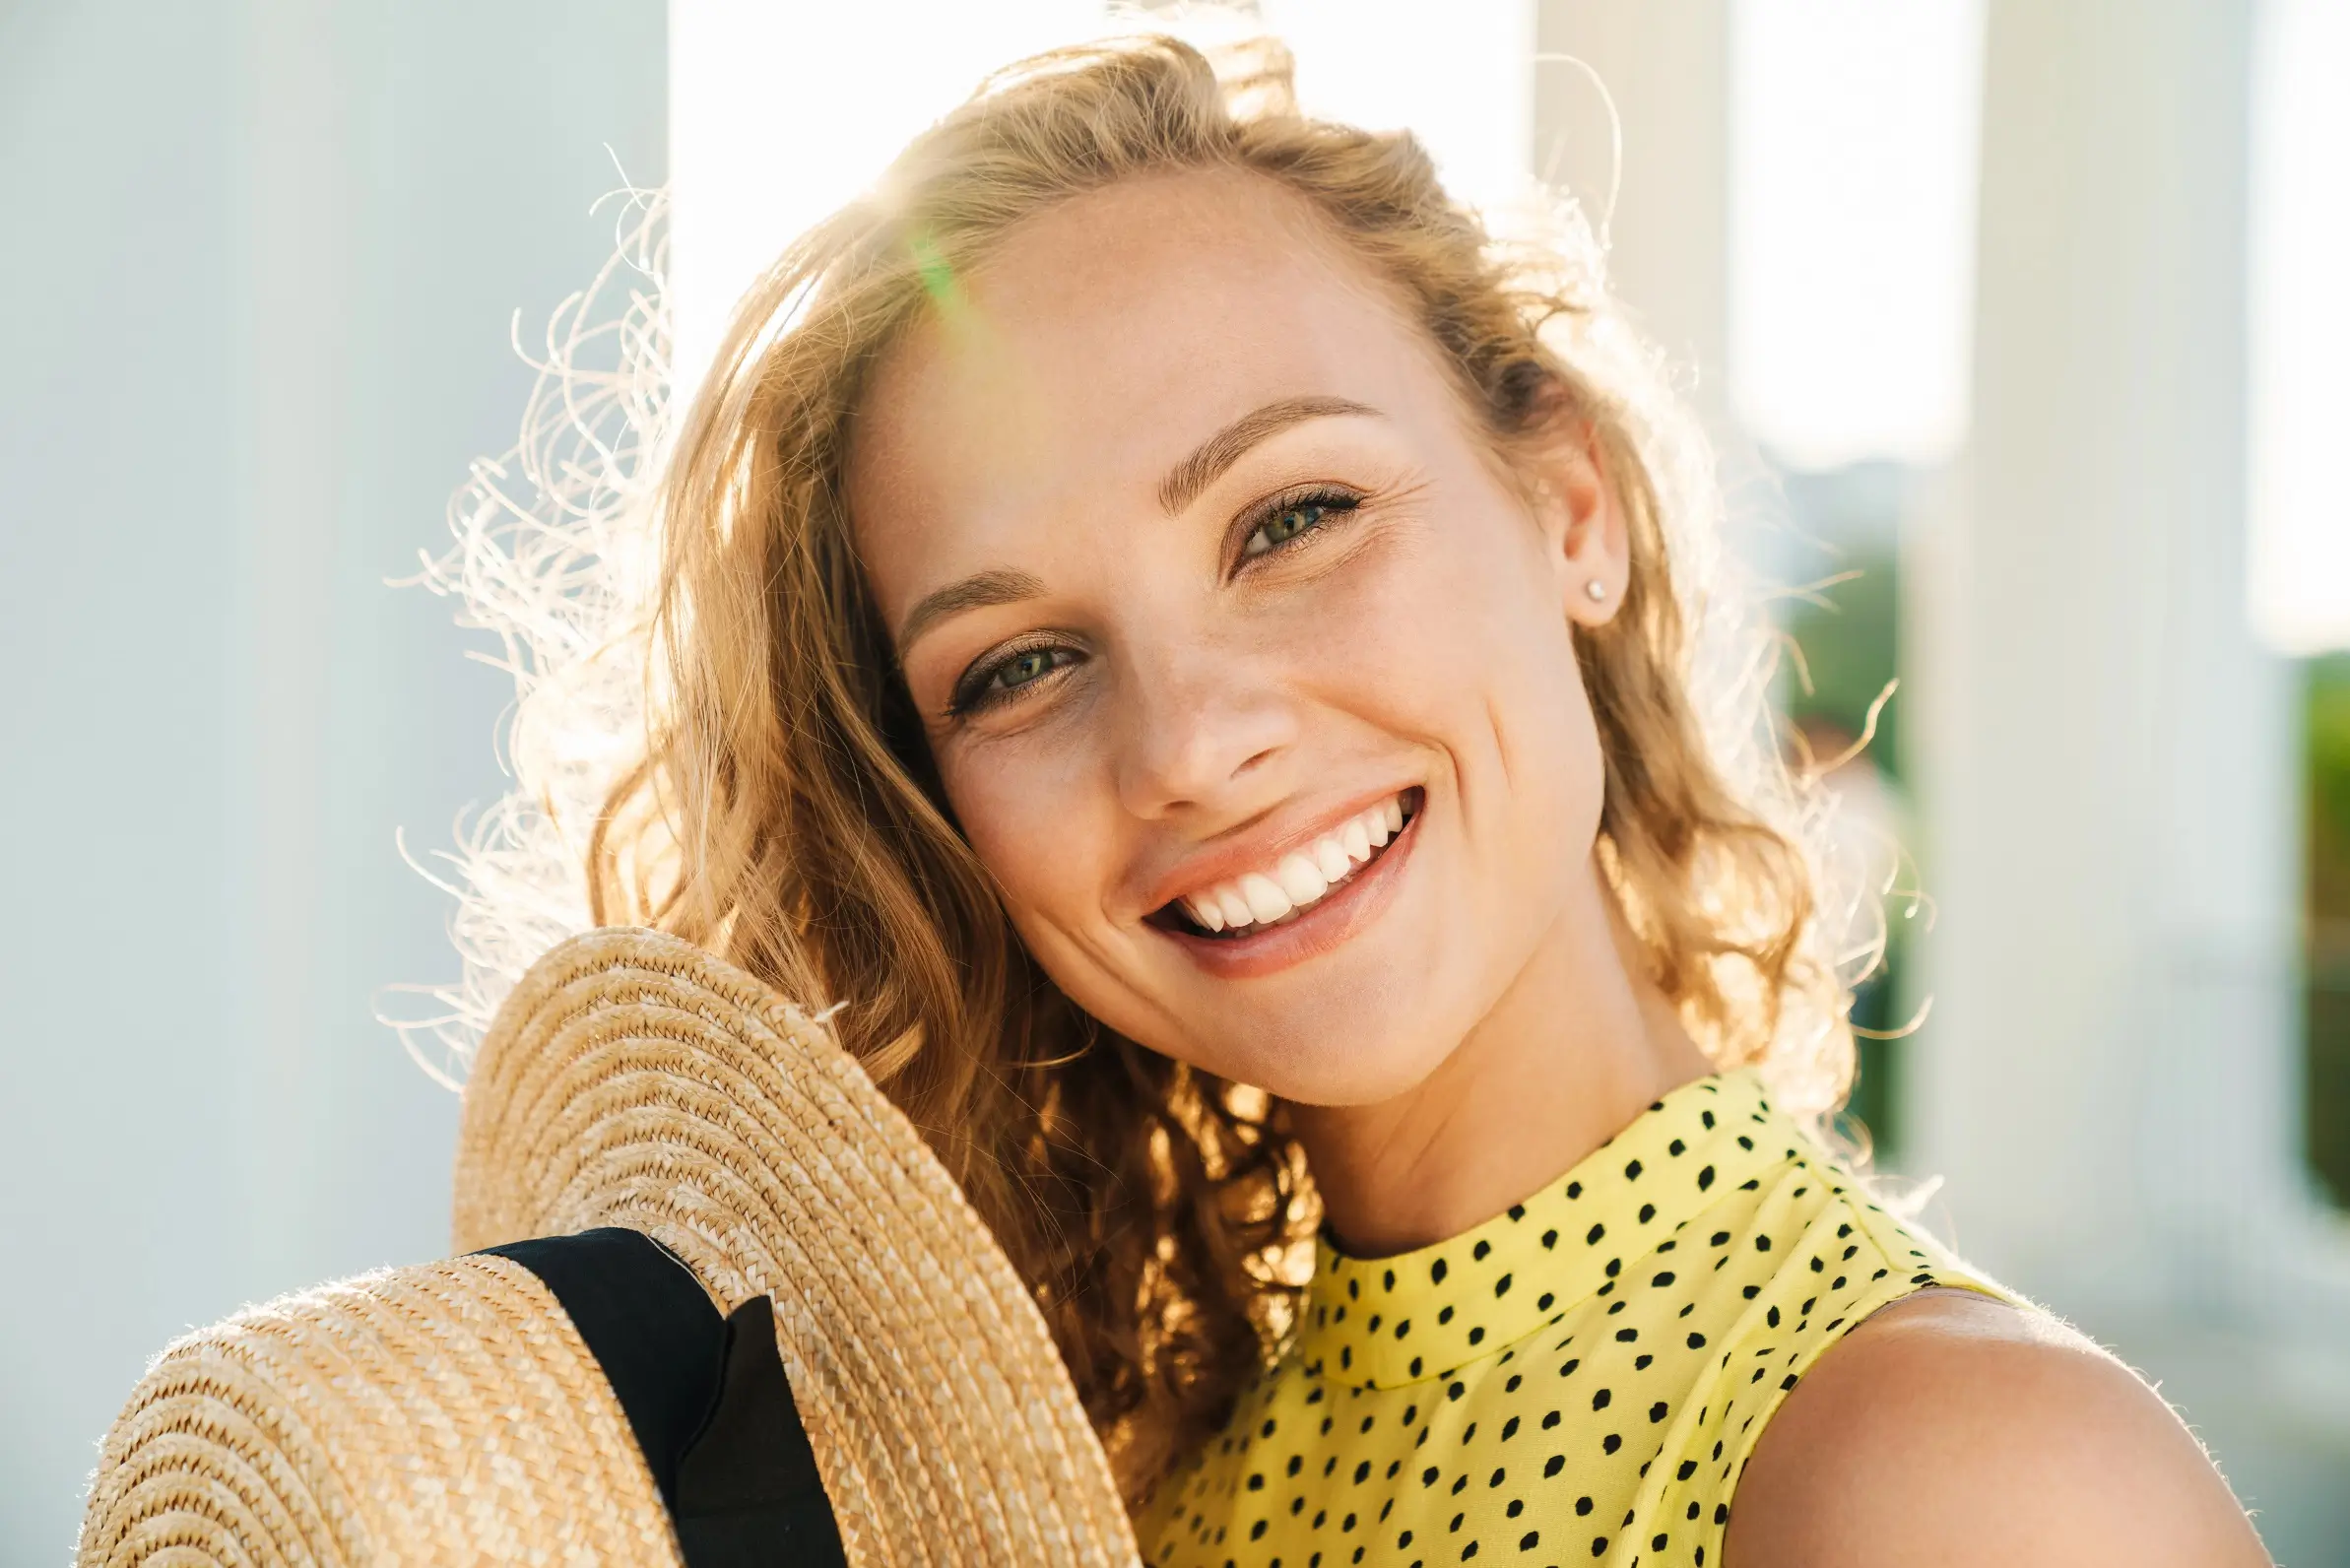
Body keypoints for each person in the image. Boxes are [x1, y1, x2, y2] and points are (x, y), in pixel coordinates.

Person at [445, 32, 2269, 1567]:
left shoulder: (1963, 1479)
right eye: (1016, 665)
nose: (1186, 742)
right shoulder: (1136, 1488)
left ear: (1568, 507)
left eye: (1291, 519)